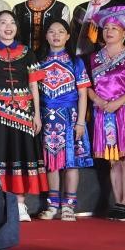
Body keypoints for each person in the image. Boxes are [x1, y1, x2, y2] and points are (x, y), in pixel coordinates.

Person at [0, 10, 47, 222]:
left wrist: (37, 115)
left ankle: (19, 204)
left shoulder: (27, 52)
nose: (8, 27)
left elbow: (34, 85)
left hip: (24, 112)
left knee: (22, 155)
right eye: (3, 22)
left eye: (11, 23)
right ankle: (0, 204)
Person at [87, 6, 125, 221]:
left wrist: (117, 103)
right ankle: (117, 202)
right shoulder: (94, 58)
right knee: (112, 159)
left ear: (124, 33)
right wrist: (99, 101)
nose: (109, 31)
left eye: (114, 28)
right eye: (106, 28)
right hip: (104, 112)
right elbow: (87, 86)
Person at [35, 19, 92, 221]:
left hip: (71, 117)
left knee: (71, 162)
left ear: (68, 36)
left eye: (61, 31)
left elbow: (83, 94)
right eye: (51, 31)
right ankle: (52, 205)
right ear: (46, 36)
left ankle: (69, 206)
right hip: (46, 117)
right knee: (51, 162)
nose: (56, 35)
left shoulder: (76, 62)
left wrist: (81, 122)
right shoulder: (38, 62)